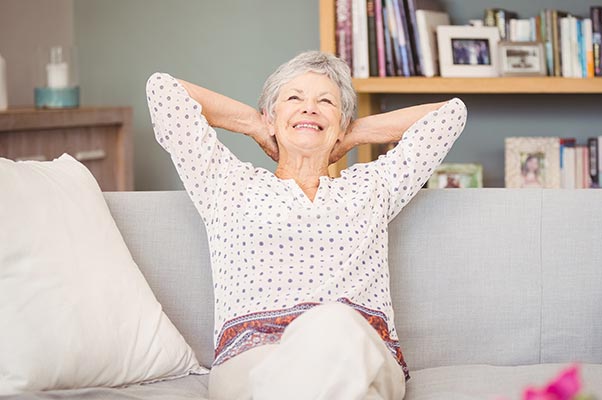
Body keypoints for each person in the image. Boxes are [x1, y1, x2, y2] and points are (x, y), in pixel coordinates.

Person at [146, 50, 467, 400]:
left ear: (343, 123)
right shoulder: (227, 184)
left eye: (326, 102)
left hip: (358, 351)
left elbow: (450, 114)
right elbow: (163, 91)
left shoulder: (372, 187)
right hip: (254, 357)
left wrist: (352, 133)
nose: (309, 108)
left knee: (335, 325)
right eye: (294, 98)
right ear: (271, 116)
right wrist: (256, 124)